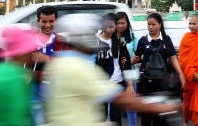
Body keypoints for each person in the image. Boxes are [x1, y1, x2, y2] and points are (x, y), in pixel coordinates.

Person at [42, 13, 179, 126]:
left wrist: (130, 83)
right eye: (90, 33)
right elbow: (121, 99)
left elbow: (126, 64)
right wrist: (159, 107)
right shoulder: (78, 67)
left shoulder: (60, 62)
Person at [0, 25, 46, 126]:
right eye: (30, 49)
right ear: (22, 52)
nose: (32, 52)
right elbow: (17, 118)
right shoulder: (16, 78)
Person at [131, 12, 186, 126]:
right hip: (145, 81)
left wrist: (180, 74)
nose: (150, 27)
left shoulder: (166, 40)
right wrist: (130, 60)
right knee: (146, 112)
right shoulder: (143, 40)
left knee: (160, 112)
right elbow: (137, 57)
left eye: (153, 24)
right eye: (149, 24)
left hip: (162, 81)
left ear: (160, 24)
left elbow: (173, 58)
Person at [28, 5, 69, 125]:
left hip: (56, 94)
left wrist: (47, 59)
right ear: (38, 21)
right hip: (33, 93)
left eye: (51, 21)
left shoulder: (62, 41)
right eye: (44, 21)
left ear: (56, 20)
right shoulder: (29, 40)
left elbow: (67, 65)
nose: (47, 25)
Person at [95, 13, 133, 125]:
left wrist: (130, 84)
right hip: (101, 84)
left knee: (116, 116)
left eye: (111, 26)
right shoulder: (95, 42)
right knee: (101, 116)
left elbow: (127, 64)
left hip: (117, 83)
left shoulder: (120, 42)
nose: (109, 29)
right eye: (106, 26)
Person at [115, 11, 138, 126]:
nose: (120, 25)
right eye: (118, 23)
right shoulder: (110, 38)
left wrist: (130, 60)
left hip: (130, 74)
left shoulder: (132, 37)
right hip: (116, 75)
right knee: (114, 107)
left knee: (131, 106)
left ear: (127, 23)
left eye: (123, 23)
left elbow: (138, 55)